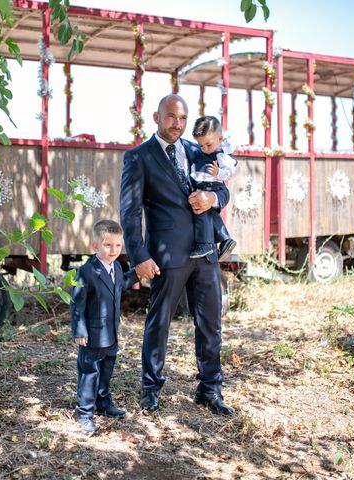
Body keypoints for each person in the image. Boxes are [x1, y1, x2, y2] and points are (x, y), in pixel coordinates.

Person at [119, 94, 235, 416]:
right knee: (159, 323)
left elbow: (222, 187)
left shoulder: (199, 150)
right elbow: (130, 213)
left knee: (210, 323)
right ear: (156, 117)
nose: (178, 124)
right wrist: (139, 256)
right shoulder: (138, 157)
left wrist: (211, 199)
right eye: (171, 117)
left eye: (182, 118)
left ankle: (210, 390)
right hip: (166, 256)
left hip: (206, 252)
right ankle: (151, 389)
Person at [70, 219, 140, 434]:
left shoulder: (117, 267)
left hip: (111, 333)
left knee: (107, 368)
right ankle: (84, 412)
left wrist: (138, 272)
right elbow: (77, 303)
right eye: (108, 245)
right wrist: (79, 330)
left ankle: (103, 402)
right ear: (96, 246)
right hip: (91, 334)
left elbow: (121, 284)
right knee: (89, 371)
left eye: (118, 245)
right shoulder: (86, 271)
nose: (113, 250)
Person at [190, 115, 238, 261]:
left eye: (208, 145)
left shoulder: (221, 155)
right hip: (204, 184)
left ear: (220, 139)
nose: (205, 149)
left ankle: (204, 244)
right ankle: (225, 238)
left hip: (212, 185)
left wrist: (219, 173)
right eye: (201, 145)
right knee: (211, 213)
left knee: (201, 210)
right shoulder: (202, 152)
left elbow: (230, 171)